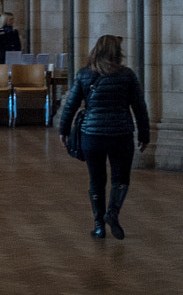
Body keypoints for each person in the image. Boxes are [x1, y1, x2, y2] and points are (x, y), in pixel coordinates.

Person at [58, 32, 150, 240]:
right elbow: (139, 108)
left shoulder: (84, 74)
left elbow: (70, 105)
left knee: (96, 180)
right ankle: (112, 213)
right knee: (121, 178)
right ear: (117, 53)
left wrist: (64, 131)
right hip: (121, 134)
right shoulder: (127, 75)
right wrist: (144, 134)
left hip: (92, 135)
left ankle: (99, 225)